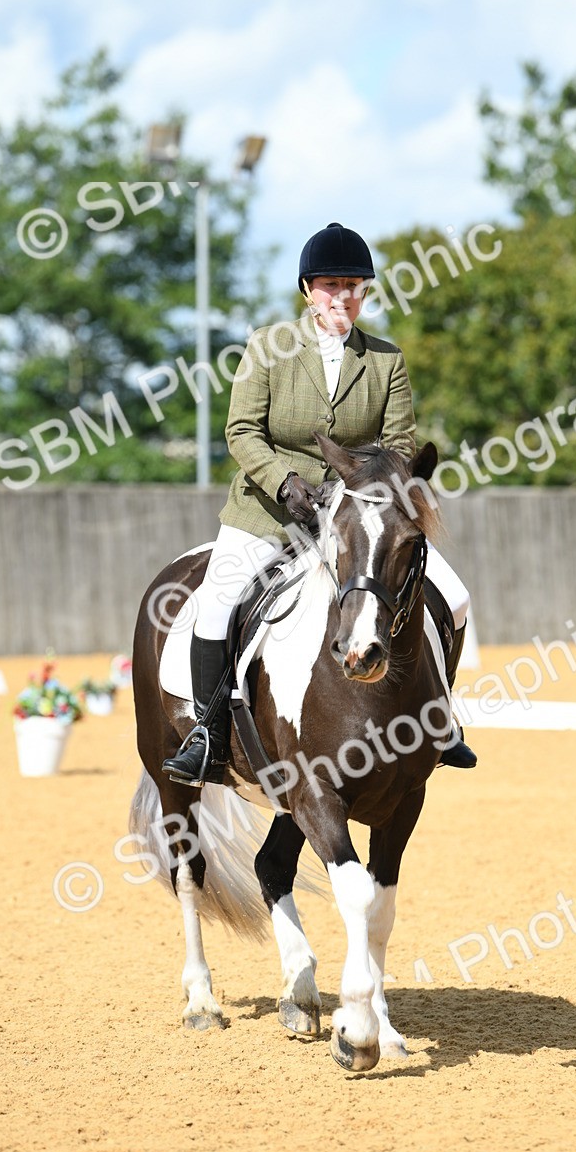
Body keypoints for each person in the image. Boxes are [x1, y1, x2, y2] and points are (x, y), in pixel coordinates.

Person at [163, 222, 476, 784]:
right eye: (331, 284)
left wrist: (358, 489)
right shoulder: (268, 347)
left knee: (452, 598)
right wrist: (285, 482)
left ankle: (441, 717)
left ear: (366, 292)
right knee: (216, 603)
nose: (343, 295)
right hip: (268, 512)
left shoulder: (385, 360)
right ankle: (208, 731)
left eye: (354, 285)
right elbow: (241, 431)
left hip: (356, 517)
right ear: (308, 290)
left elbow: (400, 444)